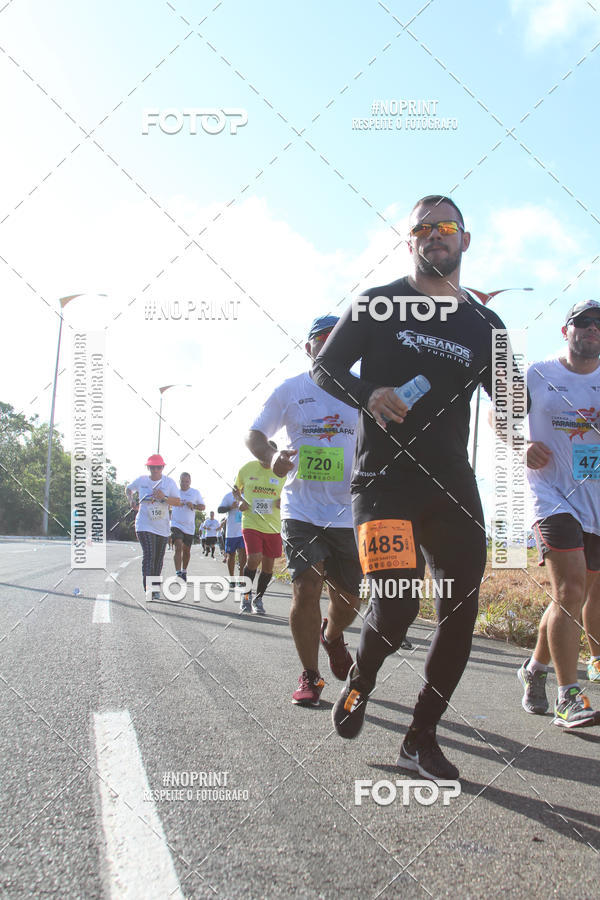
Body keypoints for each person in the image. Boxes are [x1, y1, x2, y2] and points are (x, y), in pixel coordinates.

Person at [312, 195, 508, 781]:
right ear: (410, 241)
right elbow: (325, 367)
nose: (434, 235)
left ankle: (421, 738)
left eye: (445, 226)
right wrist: (368, 394)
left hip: (451, 485)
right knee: (396, 602)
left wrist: (515, 421)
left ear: (465, 240)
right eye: (423, 228)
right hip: (382, 483)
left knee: (459, 610)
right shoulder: (376, 304)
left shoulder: (485, 325)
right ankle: (361, 681)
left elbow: (509, 400)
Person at [246, 315, 363, 705]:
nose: (329, 344)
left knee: (349, 600)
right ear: (308, 347)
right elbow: (254, 434)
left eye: (336, 338)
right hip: (302, 510)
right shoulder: (291, 389)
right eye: (321, 339)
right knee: (306, 586)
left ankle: (332, 635)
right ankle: (311, 676)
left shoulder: (361, 391)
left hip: (349, 511)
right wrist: (271, 457)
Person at [518, 300, 600, 726]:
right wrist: (521, 445)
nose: (592, 329)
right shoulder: (539, 373)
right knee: (569, 590)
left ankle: (534, 669)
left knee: (576, 596)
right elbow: (499, 414)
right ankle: (569, 697)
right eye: (583, 322)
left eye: (599, 324)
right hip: (551, 496)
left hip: (595, 502)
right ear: (565, 330)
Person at [234, 443, 285, 615]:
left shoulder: (283, 473)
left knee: (268, 567)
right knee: (254, 558)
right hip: (251, 522)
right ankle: (246, 596)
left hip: (273, 525)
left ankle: (258, 599)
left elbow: (291, 494)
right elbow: (235, 489)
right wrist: (240, 501)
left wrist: (284, 501)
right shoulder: (247, 469)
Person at [125, 454, 180, 600]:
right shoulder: (142, 480)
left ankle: (155, 587)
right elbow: (128, 489)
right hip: (144, 524)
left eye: (158, 467)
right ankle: (149, 588)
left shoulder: (169, 483)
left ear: (163, 468)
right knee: (149, 555)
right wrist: (131, 500)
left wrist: (164, 497)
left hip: (162, 527)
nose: (155, 470)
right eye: (152, 467)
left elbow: (177, 502)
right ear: (148, 467)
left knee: (158, 559)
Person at [170, 472, 205, 581]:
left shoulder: (195, 492)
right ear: (179, 481)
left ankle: (184, 570)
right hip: (176, 524)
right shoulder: (174, 492)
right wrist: (175, 503)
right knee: (178, 546)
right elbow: (166, 502)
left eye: (187, 481)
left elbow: (203, 507)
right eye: (182, 481)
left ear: (190, 482)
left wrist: (193, 506)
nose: (184, 483)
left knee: (186, 550)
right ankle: (178, 572)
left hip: (189, 526)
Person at [218, 489, 248, 585]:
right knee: (231, 555)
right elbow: (219, 509)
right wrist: (230, 507)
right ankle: (232, 579)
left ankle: (241, 577)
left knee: (243, 554)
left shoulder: (248, 494)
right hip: (231, 532)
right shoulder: (228, 496)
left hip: (244, 529)